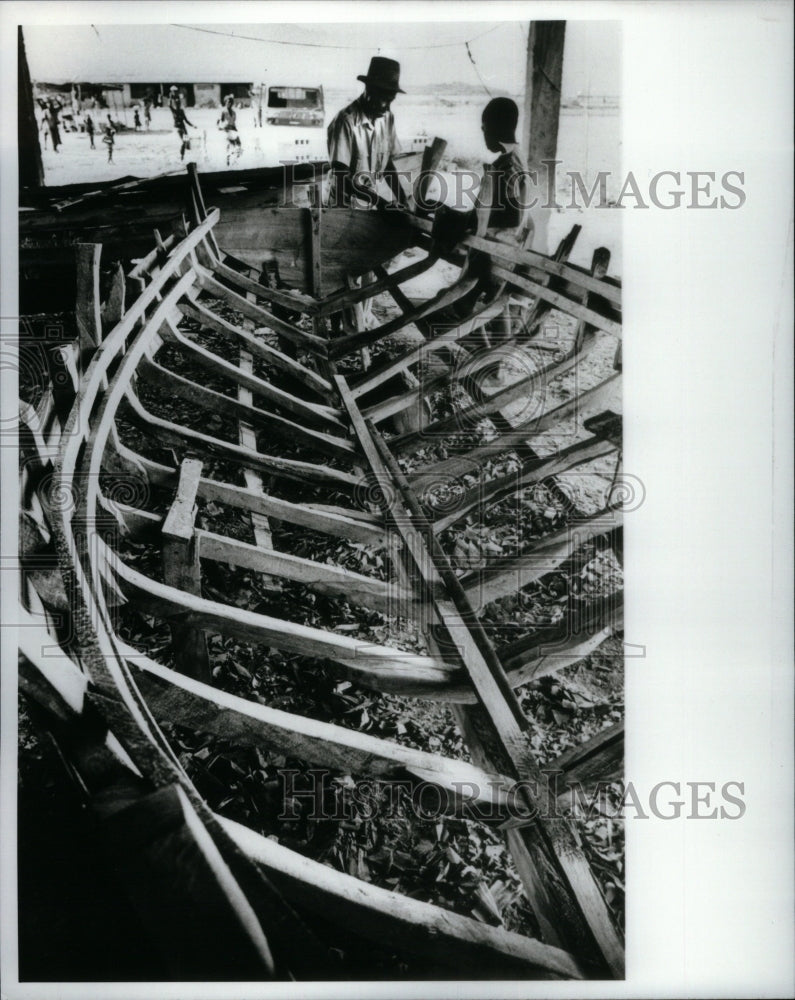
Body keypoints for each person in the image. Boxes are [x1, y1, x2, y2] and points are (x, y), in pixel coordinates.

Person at [326, 56, 408, 209]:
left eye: (390, 100)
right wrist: (381, 203)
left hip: (368, 205)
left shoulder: (387, 118)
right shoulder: (346, 121)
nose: (385, 106)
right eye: (380, 98)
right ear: (368, 89)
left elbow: (388, 164)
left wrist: (403, 198)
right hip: (342, 208)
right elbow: (341, 177)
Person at [217, 94, 242, 165]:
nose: (228, 104)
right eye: (227, 102)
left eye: (229, 102)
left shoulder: (234, 112)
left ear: (232, 103)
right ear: (225, 103)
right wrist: (219, 127)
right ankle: (228, 158)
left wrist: (236, 130)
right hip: (227, 129)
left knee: (239, 144)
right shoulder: (223, 112)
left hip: (233, 129)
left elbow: (234, 122)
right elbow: (219, 121)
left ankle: (233, 158)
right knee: (229, 144)